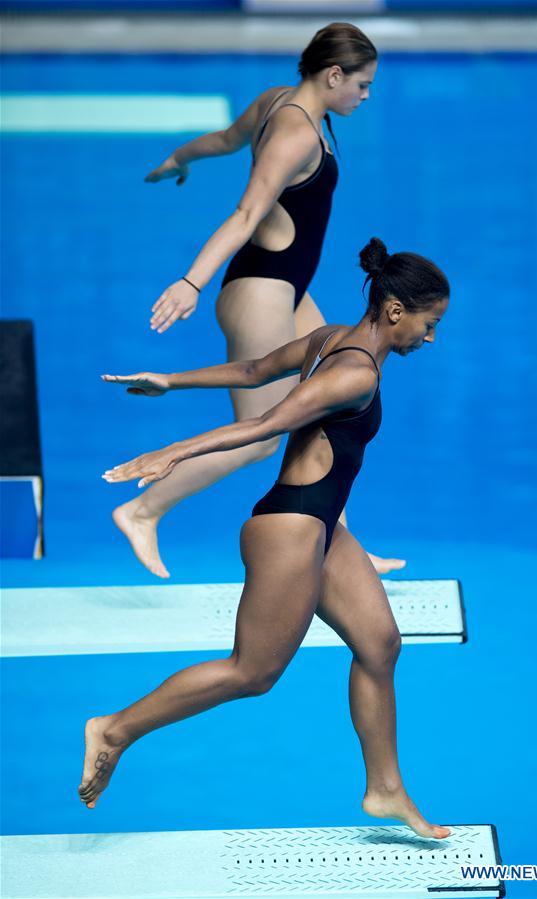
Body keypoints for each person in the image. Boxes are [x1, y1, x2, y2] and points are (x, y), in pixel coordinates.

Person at [81, 238, 450, 839]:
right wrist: (172, 451)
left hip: (321, 526)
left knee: (380, 644)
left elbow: (255, 371)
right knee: (250, 673)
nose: (430, 338)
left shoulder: (331, 336)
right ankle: (113, 729)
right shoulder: (354, 370)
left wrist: (169, 380)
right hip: (291, 528)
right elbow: (266, 422)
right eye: (429, 324)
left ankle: (385, 790)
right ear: (394, 311)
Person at [114, 22, 406, 579]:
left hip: (287, 291)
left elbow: (225, 140)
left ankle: (340, 542)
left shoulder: (277, 101)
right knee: (259, 438)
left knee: (336, 404)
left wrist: (180, 158)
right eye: (362, 85)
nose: (365, 96)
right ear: (334, 75)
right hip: (261, 294)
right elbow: (246, 214)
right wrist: (191, 282)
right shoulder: (296, 134)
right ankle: (141, 509)